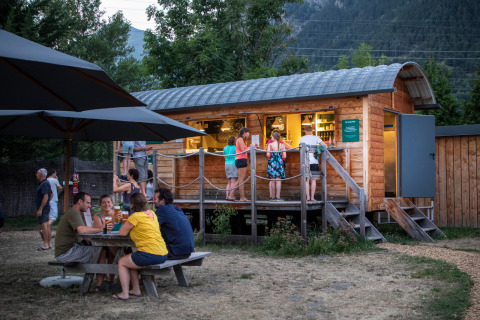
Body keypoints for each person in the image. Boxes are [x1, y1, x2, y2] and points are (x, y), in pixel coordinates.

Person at [112, 193, 168, 300]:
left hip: (150, 254)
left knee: (122, 262)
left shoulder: (135, 217)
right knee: (131, 258)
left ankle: (124, 293)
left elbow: (122, 233)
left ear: (132, 205)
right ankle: (135, 290)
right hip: (163, 253)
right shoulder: (152, 214)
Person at [55, 192, 103, 261]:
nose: (90, 206)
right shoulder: (73, 213)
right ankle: (106, 271)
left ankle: (94, 271)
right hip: (66, 254)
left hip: (70, 250)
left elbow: (85, 236)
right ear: (80, 201)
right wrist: (100, 229)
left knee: (99, 249)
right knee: (102, 251)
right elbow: (82, 230)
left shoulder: (75, 212)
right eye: (88, 203)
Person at [153, 188, 195, 260]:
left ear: (162, 200)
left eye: (155, 199)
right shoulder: (176, 208)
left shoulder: (162, 209)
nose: (153, 201)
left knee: (144, 254)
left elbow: (150, 227)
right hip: (187, 251)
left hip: (176, 252)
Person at [92, 194, 116, 290]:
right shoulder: (97, 217)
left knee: (111, 251)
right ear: (100, 204)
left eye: (108, 202)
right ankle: (100, 282)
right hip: (102, 243)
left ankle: (110, 280)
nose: (106, 204)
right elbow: (99, 232)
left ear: (112, 203)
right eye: (103, 202)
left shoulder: (118, 214)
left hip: (116, 242)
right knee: (102, 251)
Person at [299, 126, 326, 201]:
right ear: (312, 131)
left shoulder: (302, 138)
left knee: (306, 179)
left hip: (305, 161)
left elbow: (300, 148)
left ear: (305, 131)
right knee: (313, 180)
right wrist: (318, 149)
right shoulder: (316, 138)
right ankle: (312, 197)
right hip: (314, 161)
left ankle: (307, 197)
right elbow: (324, 146)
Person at [228, 127, 252, 202]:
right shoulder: (240, 139)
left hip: (240, 159)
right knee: (241, 179)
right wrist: (251, 147)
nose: (249, 134)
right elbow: (243, 150)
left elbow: (243, 149)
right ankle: (242, 197)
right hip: (241, 159)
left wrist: (250, 146)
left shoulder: (239, 139)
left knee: (240, 179)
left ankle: (231, 196)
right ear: (244, 132)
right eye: (248, 132)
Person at [266, 131, 286, 201]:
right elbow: (284, 156)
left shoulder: (270, 145)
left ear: (273, 137)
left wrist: (272, 155)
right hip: (280, 163)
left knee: (272, 180)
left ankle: (273, 197)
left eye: (272, 136)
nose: (271, 138)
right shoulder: (282, 145)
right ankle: (278, 197)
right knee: (278, 180)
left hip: (272, 163)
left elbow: (268, 154)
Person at [36, 168, 52, 251]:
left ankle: (46, 244)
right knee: (46, 225)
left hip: (44, 208)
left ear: (41, 174)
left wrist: (41, 208)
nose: (36, 175)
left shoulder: (44, 184)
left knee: (44, 225)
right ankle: (48, 243)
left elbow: (46, 196)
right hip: (46, 207)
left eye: (37, 173)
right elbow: (51, 194)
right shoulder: (45, 183)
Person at [47, 168, 62, 233]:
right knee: (54, 216)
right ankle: (44, 228)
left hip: (46, 200)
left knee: (48, 217)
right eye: (55, 173)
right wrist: (57, 179)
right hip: (53, 200)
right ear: (53, 173)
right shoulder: (54, 180)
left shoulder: (46, 180)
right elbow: (60, 188)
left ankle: (48, 232)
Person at [223, 136, 237, 201]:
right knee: (233, 181)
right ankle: (231, 196)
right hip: (233, 164)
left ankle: (227, 196)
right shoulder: (235, 148)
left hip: (226, 164)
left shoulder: (225, 148)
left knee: (229, 182)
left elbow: (225, 157)